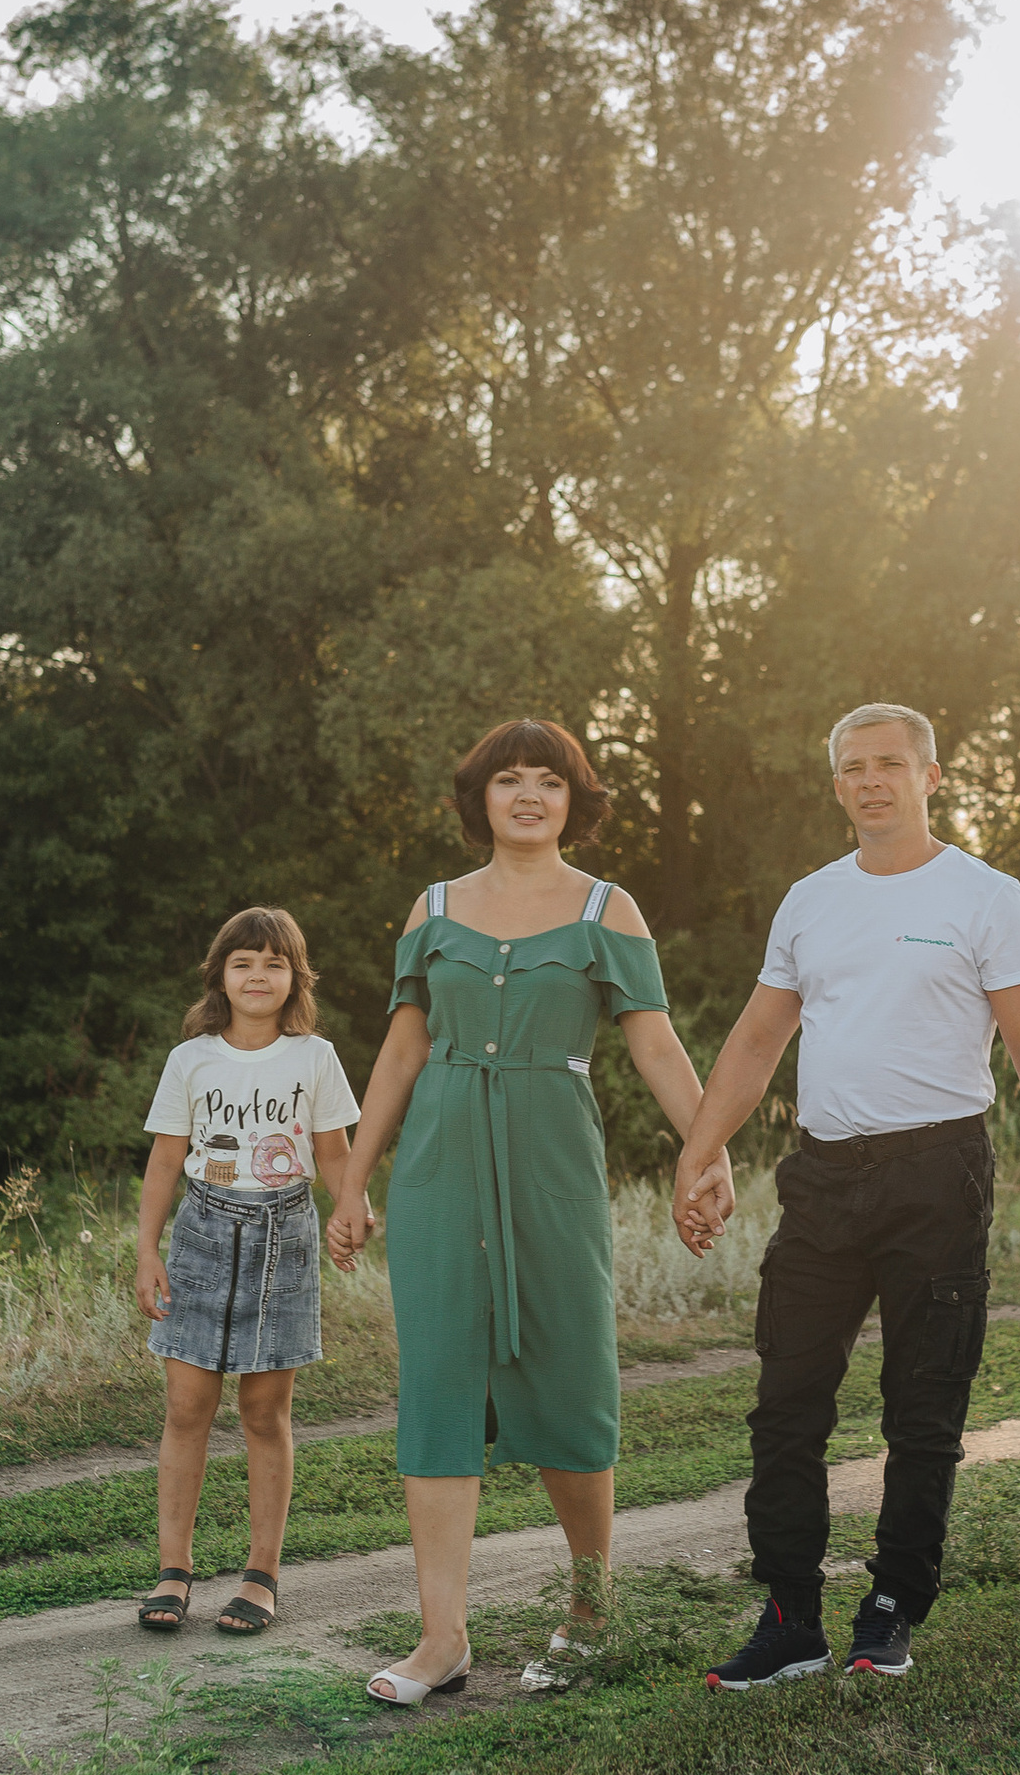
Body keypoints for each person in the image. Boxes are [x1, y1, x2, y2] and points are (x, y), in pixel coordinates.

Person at [667, 701, 1020, 1688]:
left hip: (936, 1177)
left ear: (929, 776)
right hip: (821, 1178)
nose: (871, 781)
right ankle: (788, 1618)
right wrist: (698, 1155)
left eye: (890, 764)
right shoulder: (811, 901)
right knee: (785, 1407)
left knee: (922, 1412)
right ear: (835, 786)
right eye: (853, 767)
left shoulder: (989, 900)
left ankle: (891, 1607)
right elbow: (757, 1041)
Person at [325, 718, 723, 1707]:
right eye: (509, 781)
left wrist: (704, 1150)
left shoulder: (606, 910)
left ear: (572, 798)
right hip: (440, 1164)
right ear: (481, 799)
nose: (529, 796)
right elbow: (403, 1052)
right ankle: (440, 1640)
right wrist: (350, 1181)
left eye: (549, 781)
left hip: (552, 1159)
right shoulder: (432, 909)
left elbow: (657, 1048)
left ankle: (590, 1607)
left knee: (570, 1377)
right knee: (440, 1387)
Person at [134, 904, 361, 1636]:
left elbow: (332, 1152)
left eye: (273, 962)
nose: (258, 974)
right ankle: (174, 1570)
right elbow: (167, 1157)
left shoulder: (315, 1056)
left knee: (264, 1412)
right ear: (220, 976)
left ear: (295, 976)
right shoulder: (191, 1057)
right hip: (200, 1233)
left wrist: (349, 1208)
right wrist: (146, 1249)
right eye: (243, 962)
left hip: (285, 1234)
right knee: (186, 1408)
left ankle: (261, 1574)